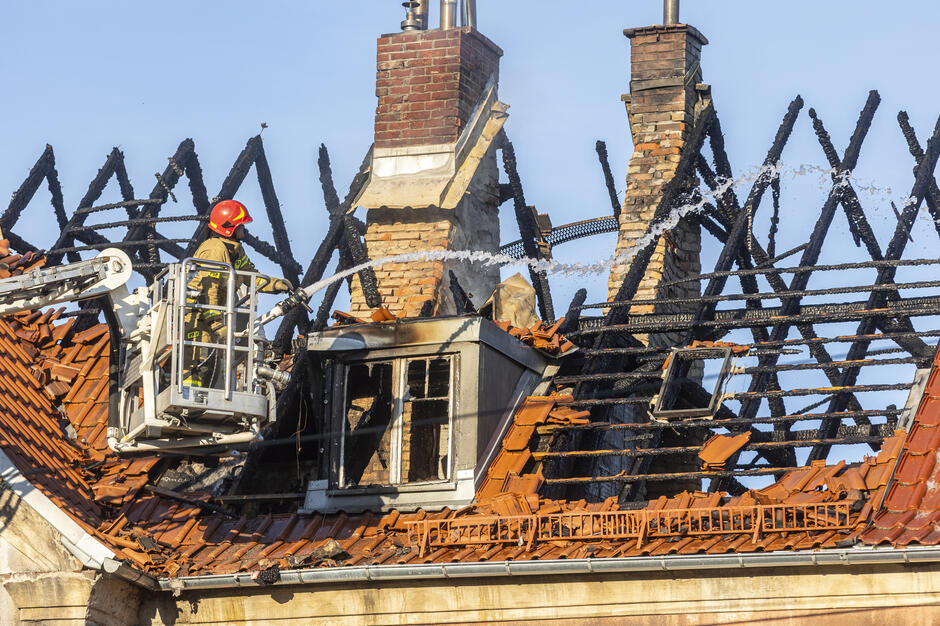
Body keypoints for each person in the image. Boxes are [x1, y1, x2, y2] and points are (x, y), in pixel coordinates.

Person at [183, 200, 292, 388]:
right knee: (198, 367)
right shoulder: (214, 250)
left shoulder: (234, 250)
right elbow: (210, 290)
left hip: (212, 319)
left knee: (212, 368)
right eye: (241, 225)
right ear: (229, 227)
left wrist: (276, 284)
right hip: (199, 318)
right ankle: (189, 398)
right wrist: (217, 325)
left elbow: (250, 276)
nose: (244, 230)